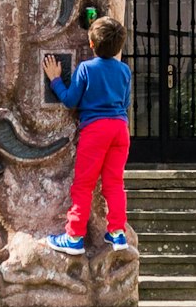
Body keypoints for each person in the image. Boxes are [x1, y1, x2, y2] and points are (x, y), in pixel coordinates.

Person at [47, 15, 134, 254]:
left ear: (92, 45)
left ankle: (74, 236)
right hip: (120, 129)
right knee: (114, 184)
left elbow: (70, 100)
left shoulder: (86, 68)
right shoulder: (124, 71)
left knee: (84, 185)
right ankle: (117, 233)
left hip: (95, 130)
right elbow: (125, 102)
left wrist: (55, 80)